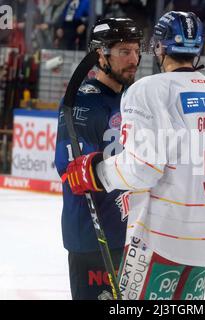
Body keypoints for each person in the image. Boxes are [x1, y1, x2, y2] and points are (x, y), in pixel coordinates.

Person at [66, 11, 205, 300]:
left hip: (157, 239)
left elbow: (144, 168)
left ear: (159, 47)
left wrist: (96, 172)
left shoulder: (148, 89)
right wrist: (192, 189)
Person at [54, 17, 143, 300]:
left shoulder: (134, 98)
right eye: (124, 51)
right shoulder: (84, 101)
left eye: (136, 50)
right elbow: (68, 168)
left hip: (130, 233)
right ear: (101, 55)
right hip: (93, 237)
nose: (134, 59)